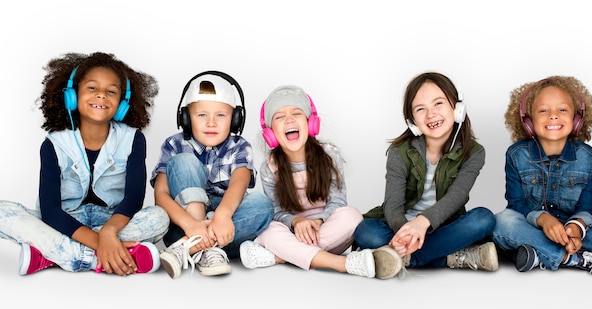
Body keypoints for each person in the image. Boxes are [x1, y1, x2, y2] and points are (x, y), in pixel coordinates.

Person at [0, 51, 169, 276]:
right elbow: (50, 210)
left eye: (111, 91)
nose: (101, 96)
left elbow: (133, 199)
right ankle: (101, 256)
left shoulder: (133, 140)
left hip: (113, 221)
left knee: (160, 217)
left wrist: (109, 232)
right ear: (72, 95)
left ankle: (53, 254)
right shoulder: (54, 143)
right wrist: (102, 242)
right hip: (65, 220)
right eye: (92, 88)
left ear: (122, 103)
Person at [238, 85, 404, 279]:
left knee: (352, 216)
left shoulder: (329, 155)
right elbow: (276, 211)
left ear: (310, 123)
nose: (289, 119)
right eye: (279, 116)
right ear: (271, 133)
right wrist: (297, 222)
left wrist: (317, 221)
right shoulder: (270, 167)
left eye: (296, 113)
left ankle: (280, 256)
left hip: (326, 229)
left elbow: (338, 202)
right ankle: (343, 264)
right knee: (268, 229)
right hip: (293, 230)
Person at [353, 72, 498, 273]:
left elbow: (458, 196)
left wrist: (423, 222)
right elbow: (392, 205)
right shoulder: (399, 152)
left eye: (438, 104)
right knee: (366, 232)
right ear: (412, 121)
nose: (431, 115)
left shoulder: (474, 152)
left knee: (484, 219)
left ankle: (399, 258)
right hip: (400, 226)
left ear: (457, 109)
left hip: (442, 226)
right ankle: (453, 257)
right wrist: (405, 232)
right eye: (420, 109)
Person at [492, 75, 592, 274]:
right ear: (528, 121)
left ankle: (541, 255)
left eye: (562, 110)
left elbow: (588, 207)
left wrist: (577, 226)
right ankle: (578, 259)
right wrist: (543, 220)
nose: (553, 116)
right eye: (543, 110)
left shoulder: (587, 156)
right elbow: (516, 204)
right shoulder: (516, 154)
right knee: (501, 222)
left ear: (577, 119)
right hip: (535, 229)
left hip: (577, 233)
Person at [151, 71, 273, 279]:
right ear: (186, 119)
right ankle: (205, 246)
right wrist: (192, 225)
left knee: (263, 205)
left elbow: (239, 182)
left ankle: (190, 250)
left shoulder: (240, 146)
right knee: (185, 161)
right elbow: (160, 193)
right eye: (202, 115)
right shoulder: (175, 144)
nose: (211, 123)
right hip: (182, 224)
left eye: (221, 115)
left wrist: (222, 216)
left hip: (225, 222)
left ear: (235, 120)